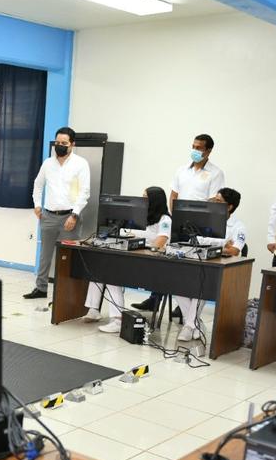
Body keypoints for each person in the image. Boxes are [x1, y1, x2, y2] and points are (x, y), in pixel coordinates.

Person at [134, 134, 224, 313]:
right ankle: (154, 299)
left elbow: (213, 201)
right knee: (167, 264)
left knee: (191, 268)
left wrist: (200, 222)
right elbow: (173, 195)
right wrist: (176, 218)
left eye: (199, 148)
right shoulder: (182, 170)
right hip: (179, 224)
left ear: (208, 151)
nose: (195, 150)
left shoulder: (215, 173)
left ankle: (183, 306)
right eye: (193, 146)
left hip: (200, 228)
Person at [86, 186, 172, 333]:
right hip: (135, 259)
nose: (142, 200)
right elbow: (132, 234)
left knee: (112, 277)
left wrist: (139, 243)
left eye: (146, 198)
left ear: (155, 201)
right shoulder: (142, 217)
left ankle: (118, 320)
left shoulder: (165, 219)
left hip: (152, 265)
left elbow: (159, 243)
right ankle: (93, 310)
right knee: (98, 271)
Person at [173, 187, 247, 342]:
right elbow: (195, 242)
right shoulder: (205, 220)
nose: (213, 203)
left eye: (218, 201)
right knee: (175, 285)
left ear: (229, 206)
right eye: (214, 200)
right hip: (197, 262)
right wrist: (222, 245)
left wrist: (220, 247)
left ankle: (189, 326)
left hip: (218, 269)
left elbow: (234, 251)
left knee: (200, 286)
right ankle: (194, 324)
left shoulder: (238, 226)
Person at [24, 127, 90, 300]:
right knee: (45, 255)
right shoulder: (48, 163)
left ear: (72, 145)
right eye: (57, 142)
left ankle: (65, 293)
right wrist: (37, 205)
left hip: (70, 217)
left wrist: (74, 215)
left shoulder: (80, 164)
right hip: (48, 216)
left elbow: (85, 192)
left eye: (64, 143)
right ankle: (41, 288)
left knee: (68, 258)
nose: (59, 146)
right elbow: (38, 185)